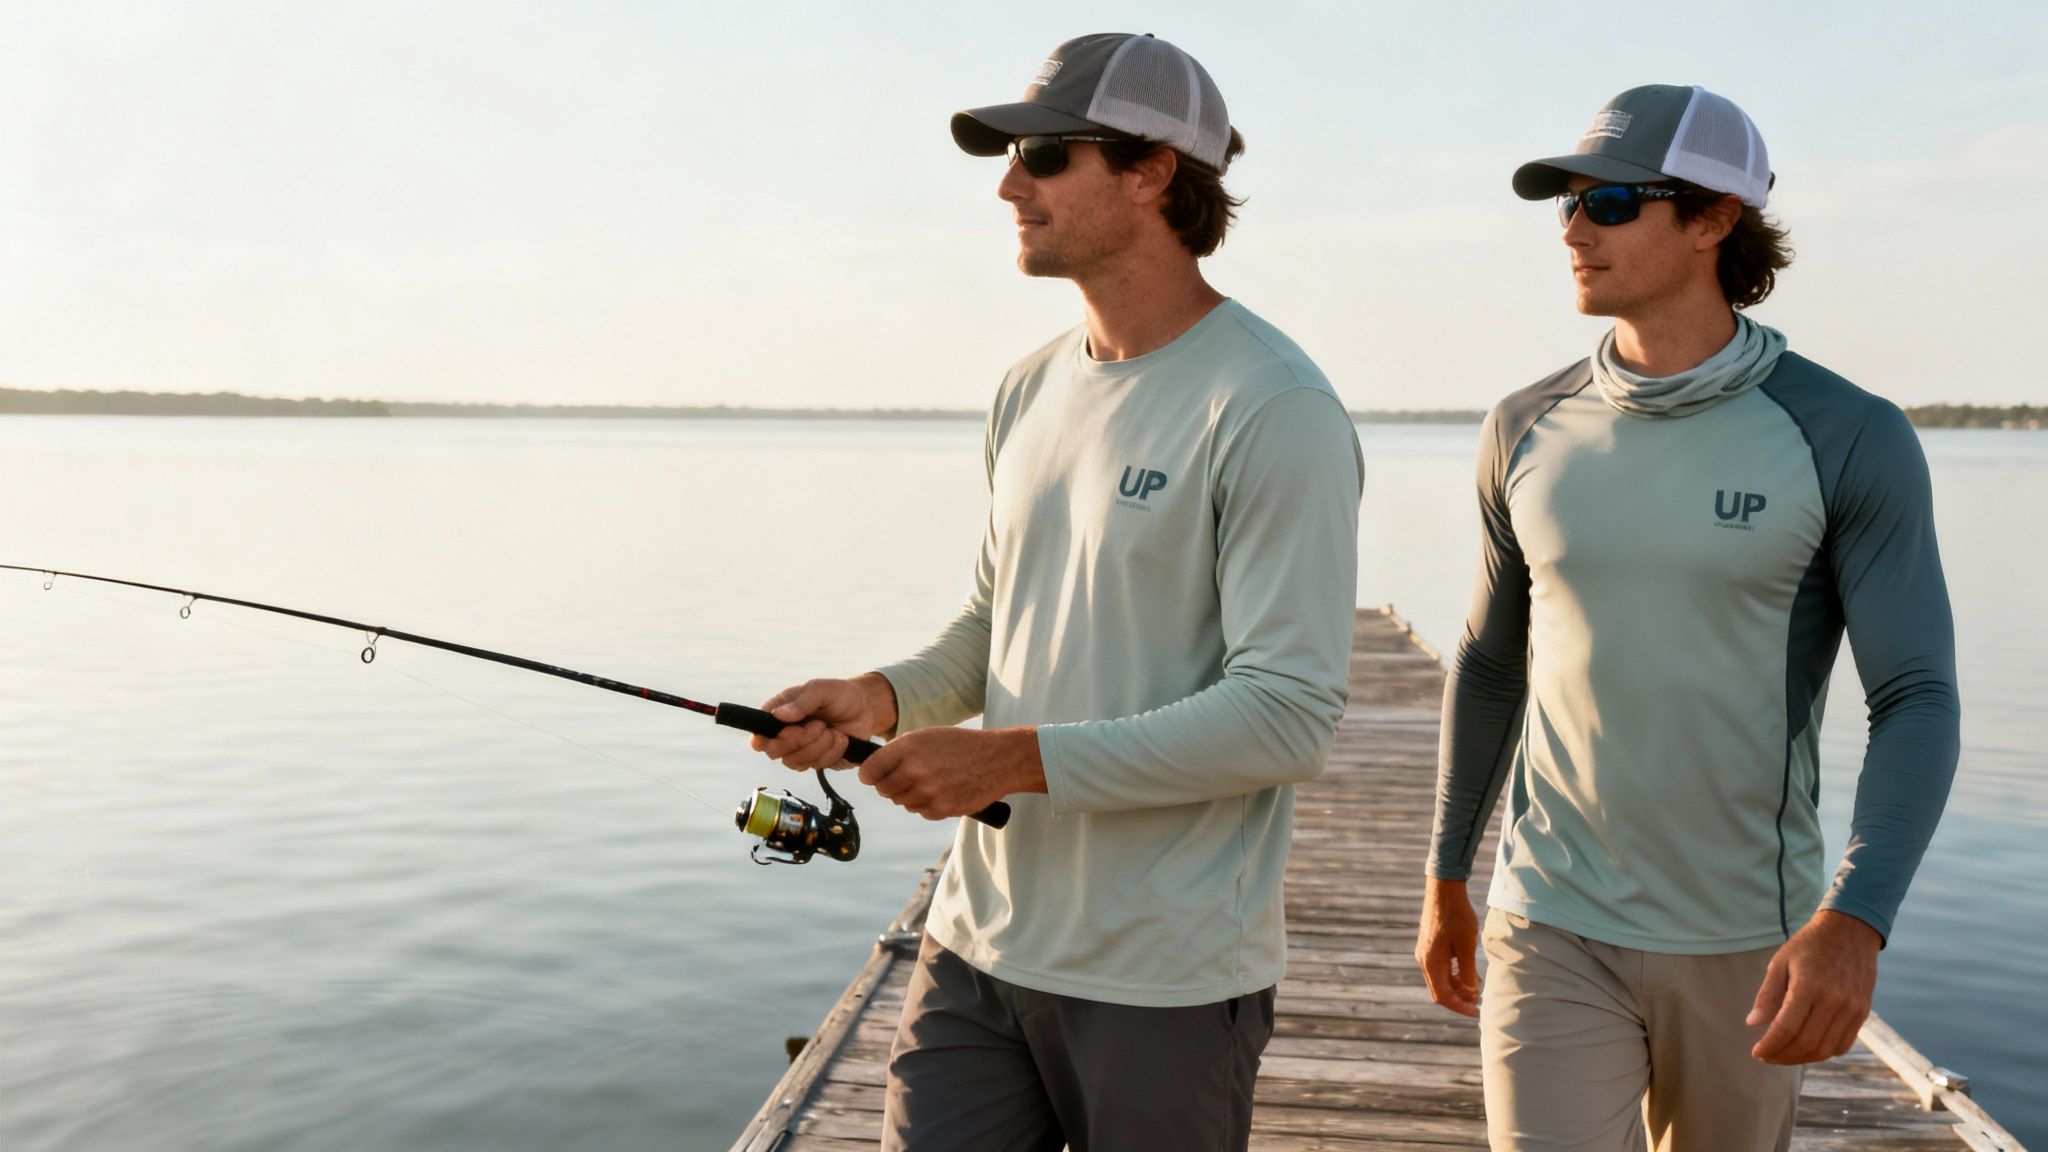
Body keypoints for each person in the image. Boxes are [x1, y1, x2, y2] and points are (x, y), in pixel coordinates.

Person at [749, 32, 1363, 1152]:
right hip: (975, 948)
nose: (1007, 184)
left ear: (1151, 171)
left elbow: (1286, 715)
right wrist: (879, 697)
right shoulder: (1027, 386)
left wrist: (1008, 758)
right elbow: (995, 628)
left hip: (1164, 978)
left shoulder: (1272, 406)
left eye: (1042, 154)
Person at [1415, 84, 1960, 1151]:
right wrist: (1445, 876)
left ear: (1714, 218)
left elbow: (1912, 696)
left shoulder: (1845, 434)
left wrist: (1854, 919)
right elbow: (1487, 663)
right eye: (1566, 204)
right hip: (1550, 917)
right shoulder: (1524, 426)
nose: (1572, 230)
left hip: (1743, 939)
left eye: (1609, 202)